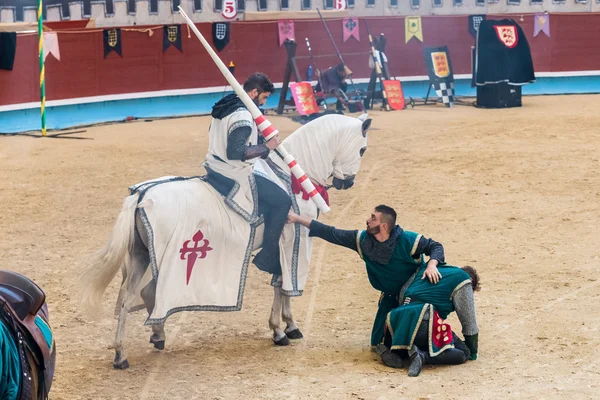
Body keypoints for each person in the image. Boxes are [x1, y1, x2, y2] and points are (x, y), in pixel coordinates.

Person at [287, 205, 443, 346]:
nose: (367, 220)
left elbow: (435, 246)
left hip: (414, 296)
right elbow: (331, 233)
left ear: (384, 226)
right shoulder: (362, 240)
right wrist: (296, 218)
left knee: (412, 338)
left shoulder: (408, 240)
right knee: (377, 342)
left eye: (373, 218)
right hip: (391, 297)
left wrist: (432, 264)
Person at [204, 73, 292, 275]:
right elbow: (236, 152)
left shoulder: (227, 104)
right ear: (254, 92)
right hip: (232, 173)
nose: (264, 102)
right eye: (264, 97)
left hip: (213, 166)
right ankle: (269, 256)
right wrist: (266, 147)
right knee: (282, 200)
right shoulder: (242, 115)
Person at [376, 264, 480, 377]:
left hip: (394, 321)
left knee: (415, 338)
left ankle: (393, 350)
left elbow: (402, 295)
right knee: (464, 352)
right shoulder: (463, 279)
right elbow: (469, 322)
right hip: (423, 320)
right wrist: (472, 349)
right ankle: (423, 355)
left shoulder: (424, 269)